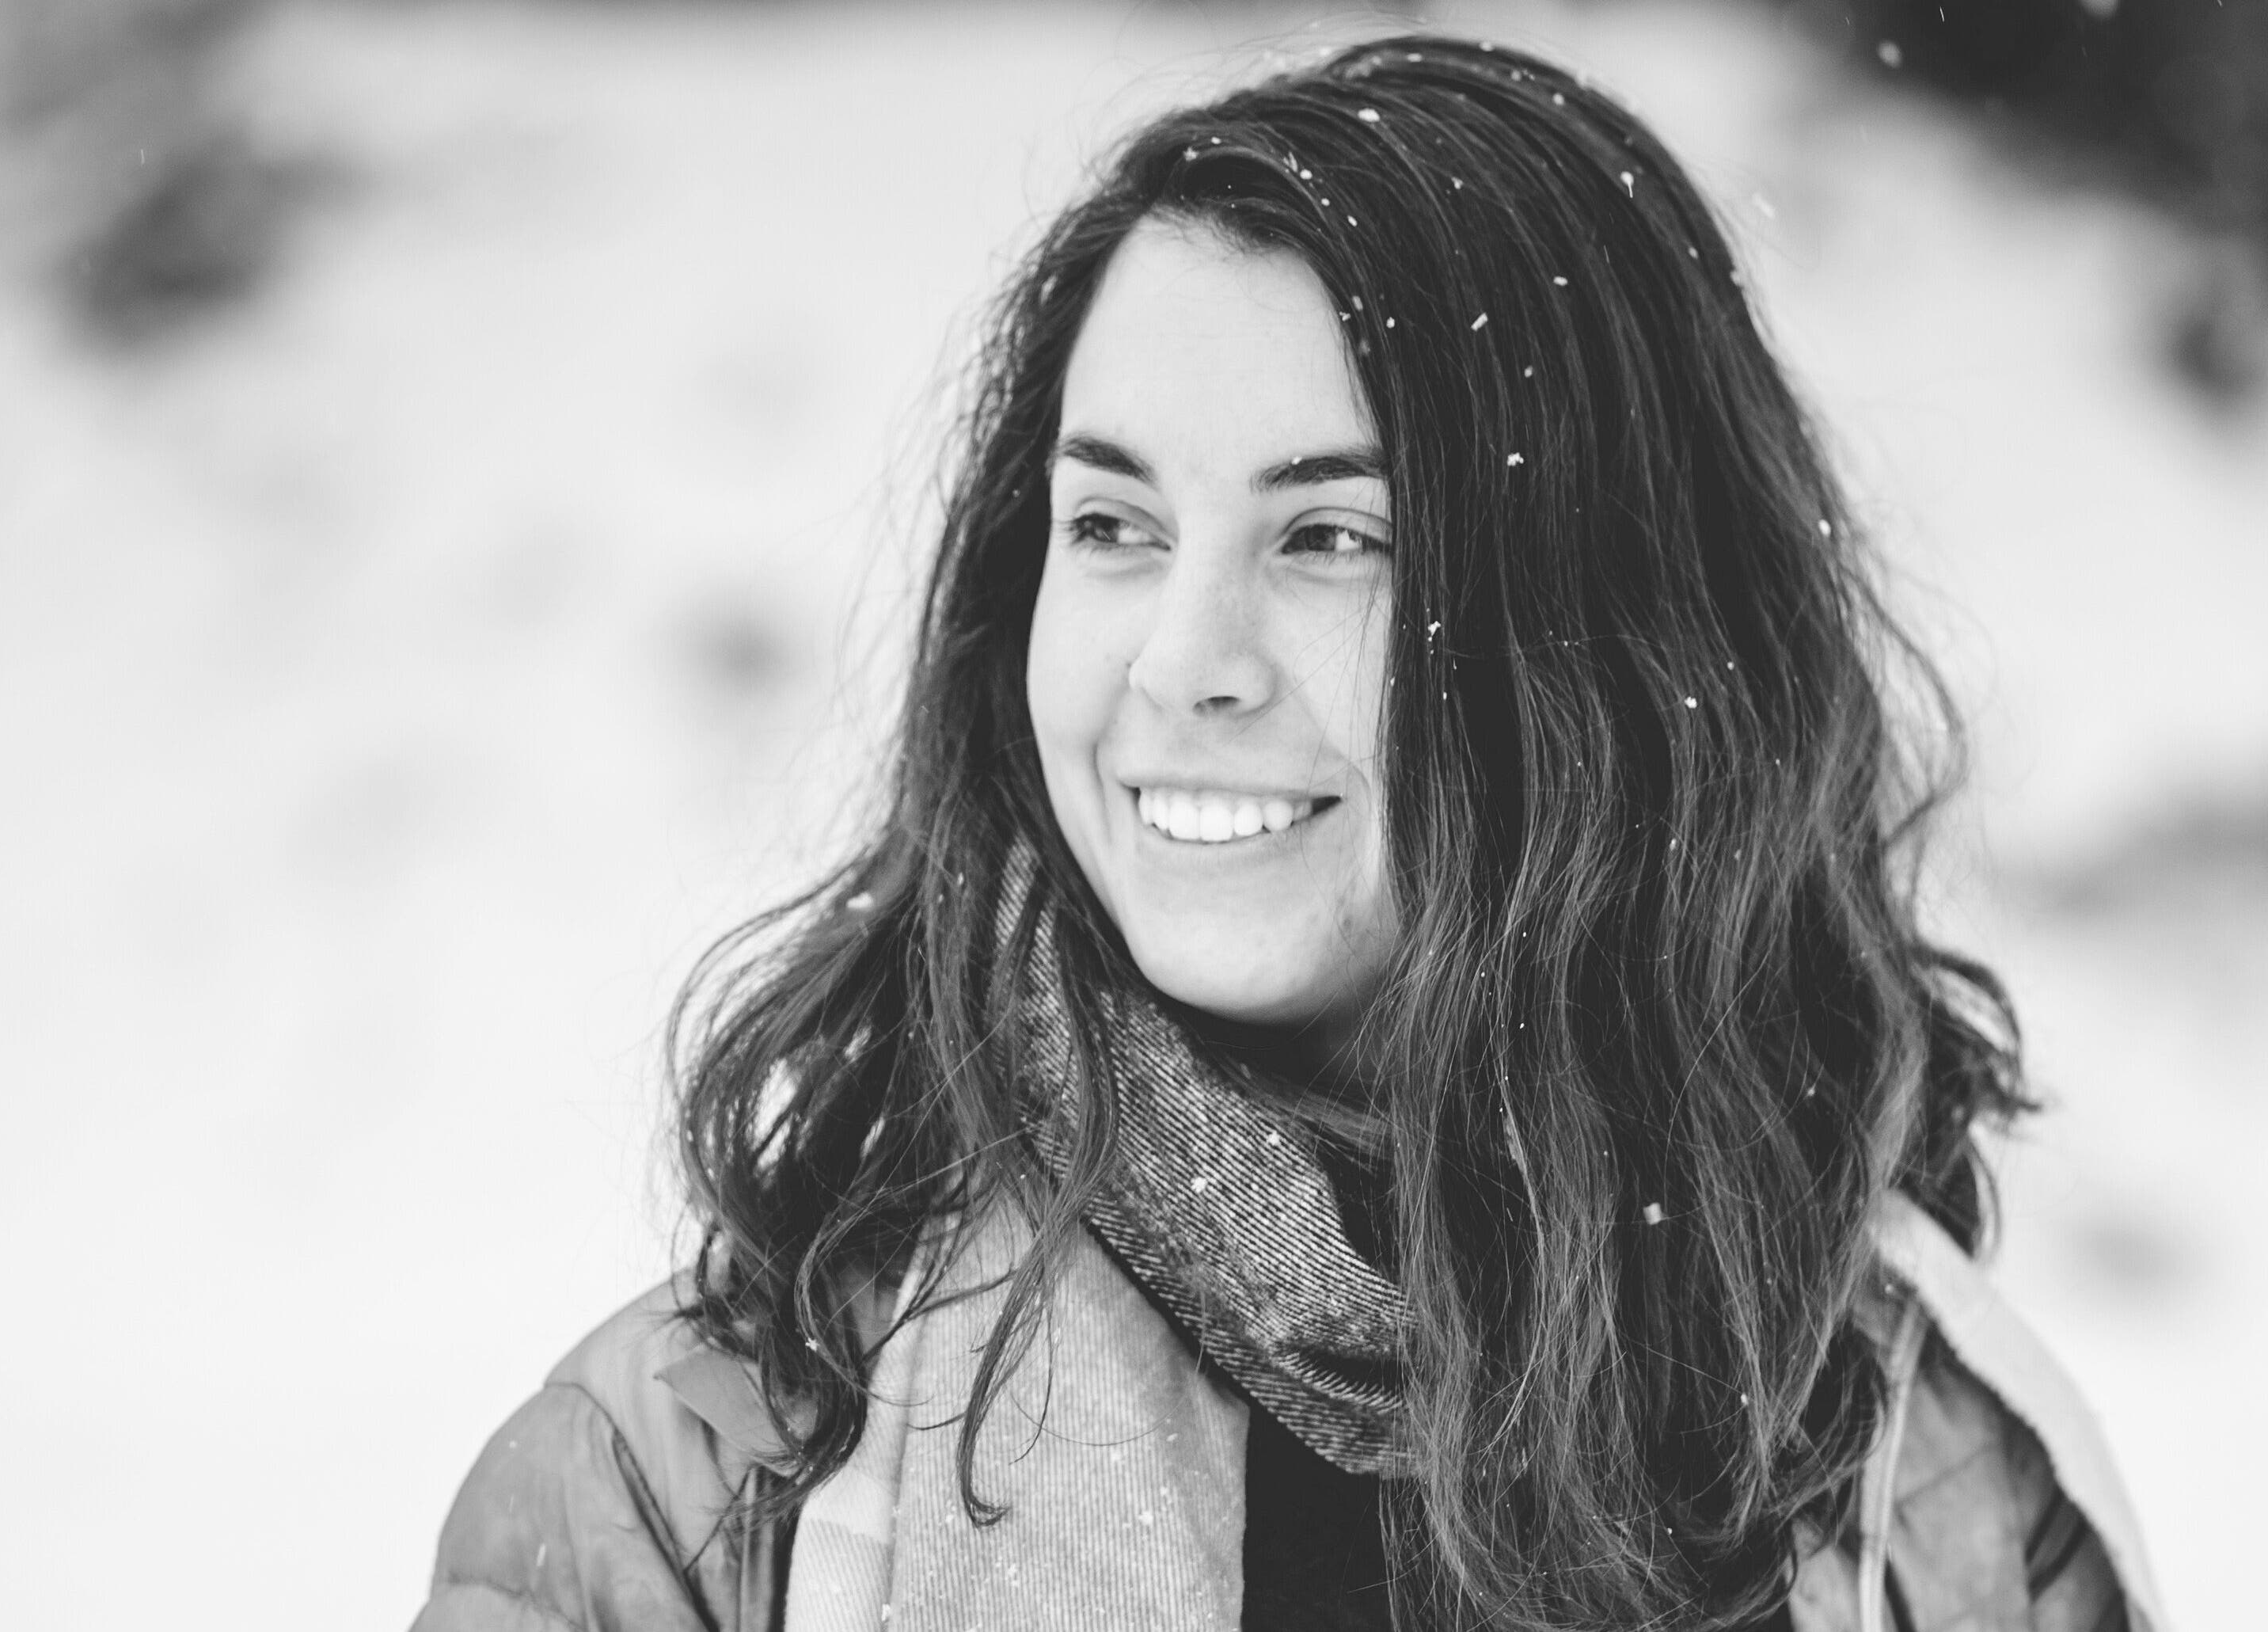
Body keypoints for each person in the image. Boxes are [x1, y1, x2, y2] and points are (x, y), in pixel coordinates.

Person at [412, 36, 2166, 1632]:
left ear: (1618, 630)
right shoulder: (701, 1482)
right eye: (1110, 523)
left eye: (1331, 537)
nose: (1180, 660)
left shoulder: (1920, 1463)